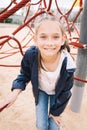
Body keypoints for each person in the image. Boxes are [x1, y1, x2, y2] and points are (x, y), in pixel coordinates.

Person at [0, 14, 76, 130]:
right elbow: (24, 75)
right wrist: (14, 93)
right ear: (35, 39)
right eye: (43, 37)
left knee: (55, 127)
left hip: (58, 93)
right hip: (41, 91)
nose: (49, 43)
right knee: (41, 125)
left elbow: (66, 92)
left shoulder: (68, 64)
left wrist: (55, 112)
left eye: (55, 37)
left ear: (62, 40)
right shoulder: (31, 55)